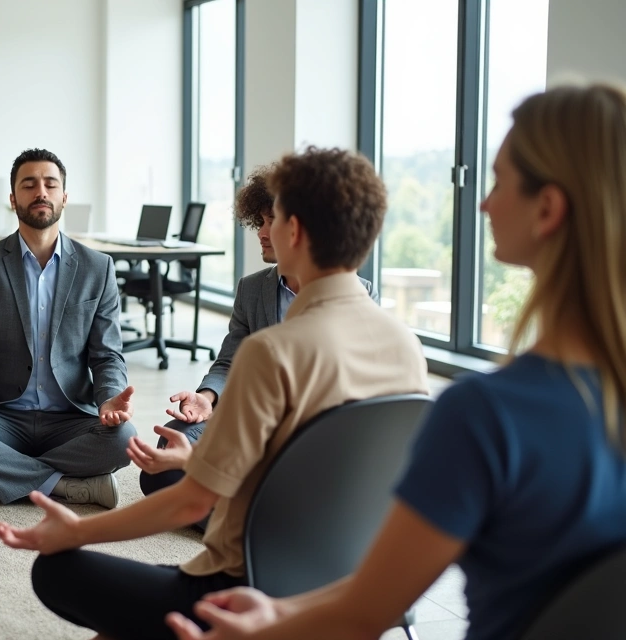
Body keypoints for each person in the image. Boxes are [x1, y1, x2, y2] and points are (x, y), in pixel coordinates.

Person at [163, 83, 626, 640]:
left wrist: (261, 628)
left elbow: (366, 610)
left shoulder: (486, 415)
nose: (482, 202)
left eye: (499, 181)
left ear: (548, 209)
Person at [0, 146, 429, 640]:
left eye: (276, 216)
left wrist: (76, 531)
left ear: (296, 230)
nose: (265, 227)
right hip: (344, 585)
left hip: (245, 589)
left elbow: (190, 507)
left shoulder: (274, 352)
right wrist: (192, 464)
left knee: (55, 570)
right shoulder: (407, 349)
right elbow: (320, 470)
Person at [132, 165, 378, 519]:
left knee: (181, 480)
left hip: (308, 434)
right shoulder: (252, 289)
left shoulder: (356, 293)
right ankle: (260, 515)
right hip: (248, 421)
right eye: (259, 221)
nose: (261, 232)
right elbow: (230, 361)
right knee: (171, 445)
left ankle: (239, 512)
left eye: (270, 221)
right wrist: (206, 398)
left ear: (299, 229)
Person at [0, 148, 137, 508]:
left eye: (51, 184)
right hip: (1, 415)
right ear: (13, 198)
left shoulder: (97, 267)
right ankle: (65, 486)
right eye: (29, 184)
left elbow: (106, 355)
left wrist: (109, 397)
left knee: (124, 438)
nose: (41, 192)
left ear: (64, 197)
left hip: (69, 418)